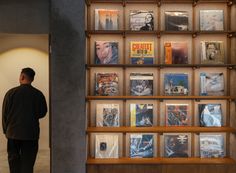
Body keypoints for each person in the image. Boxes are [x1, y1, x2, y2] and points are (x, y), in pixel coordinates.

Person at [2, 67, 47, 173]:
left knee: (13, 161)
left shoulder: (11, 93)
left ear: (22, 76)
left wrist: (6, 130)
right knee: (28, 162)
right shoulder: (38, 94)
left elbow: (5, 114)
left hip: (13, 133)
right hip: (31, 133)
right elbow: (42, 113)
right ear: (32, 79)